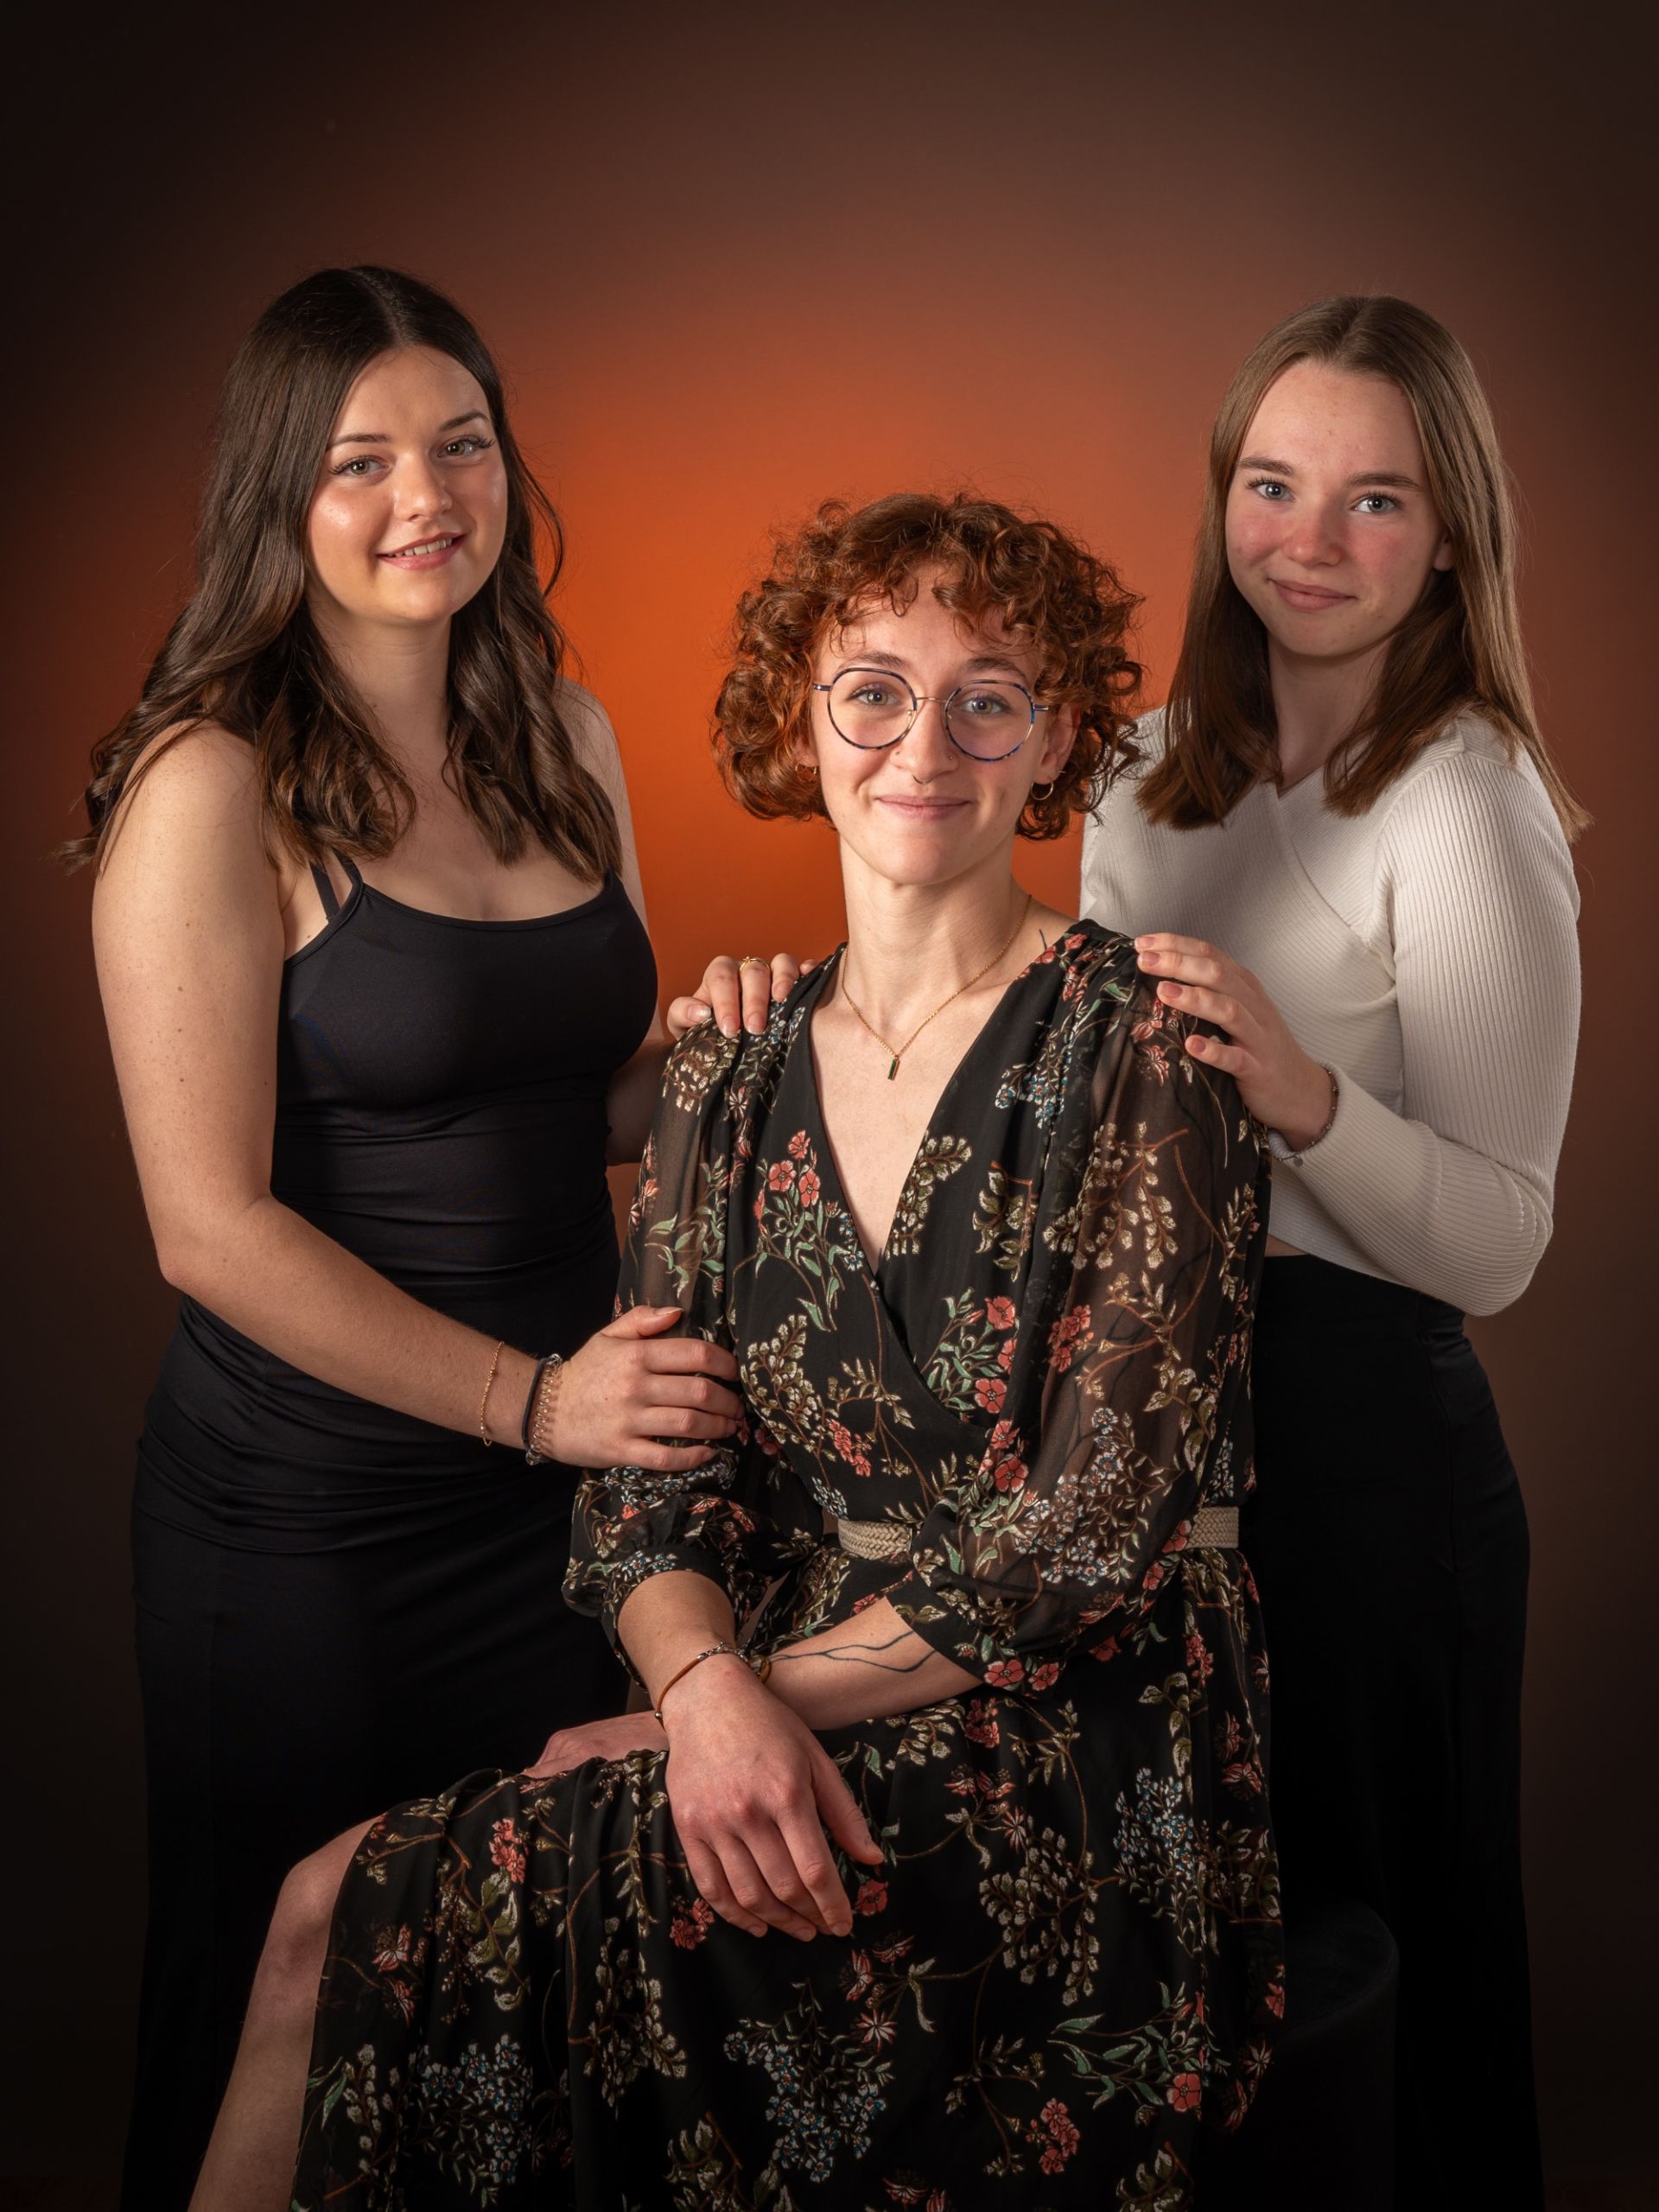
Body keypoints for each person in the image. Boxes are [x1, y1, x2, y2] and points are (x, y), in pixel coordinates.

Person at [193, 491, 1284, 2211]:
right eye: (874, 691)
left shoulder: (1151, 1047)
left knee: (355, 1917)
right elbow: (649, 1499)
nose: (924, 746)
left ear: (1057, 734)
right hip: (758, 1705)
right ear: (803, 718)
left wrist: (723, 1708)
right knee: (320, 1915)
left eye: (987, 698)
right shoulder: (725, 1068)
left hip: (1078, 1743)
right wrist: (698, 1692)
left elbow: (1086, 1536)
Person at [71, 264, 780, 2206]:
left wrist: (721, 1049)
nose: (425, 497)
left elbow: (580, 1107)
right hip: (315, 1526)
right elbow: (206, 1227)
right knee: (279, 2010)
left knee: (508, 2016)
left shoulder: (566, 733)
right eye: (361, 460)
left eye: (461, 445)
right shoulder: (206, 783)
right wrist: (535, 1401)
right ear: (276, 494)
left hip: (563, 1503)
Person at [1079, 296, 1583, 2208]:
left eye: (1376, 499)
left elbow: (1505, 1239)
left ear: (1450, 537)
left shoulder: (1466, 796)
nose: (1309, 539)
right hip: (1162, 1439)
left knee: (1396, 1976)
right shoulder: (1140, 775)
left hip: (1372, 1457)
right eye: (1273, 485)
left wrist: (1301, 1096)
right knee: (1217, 1971)